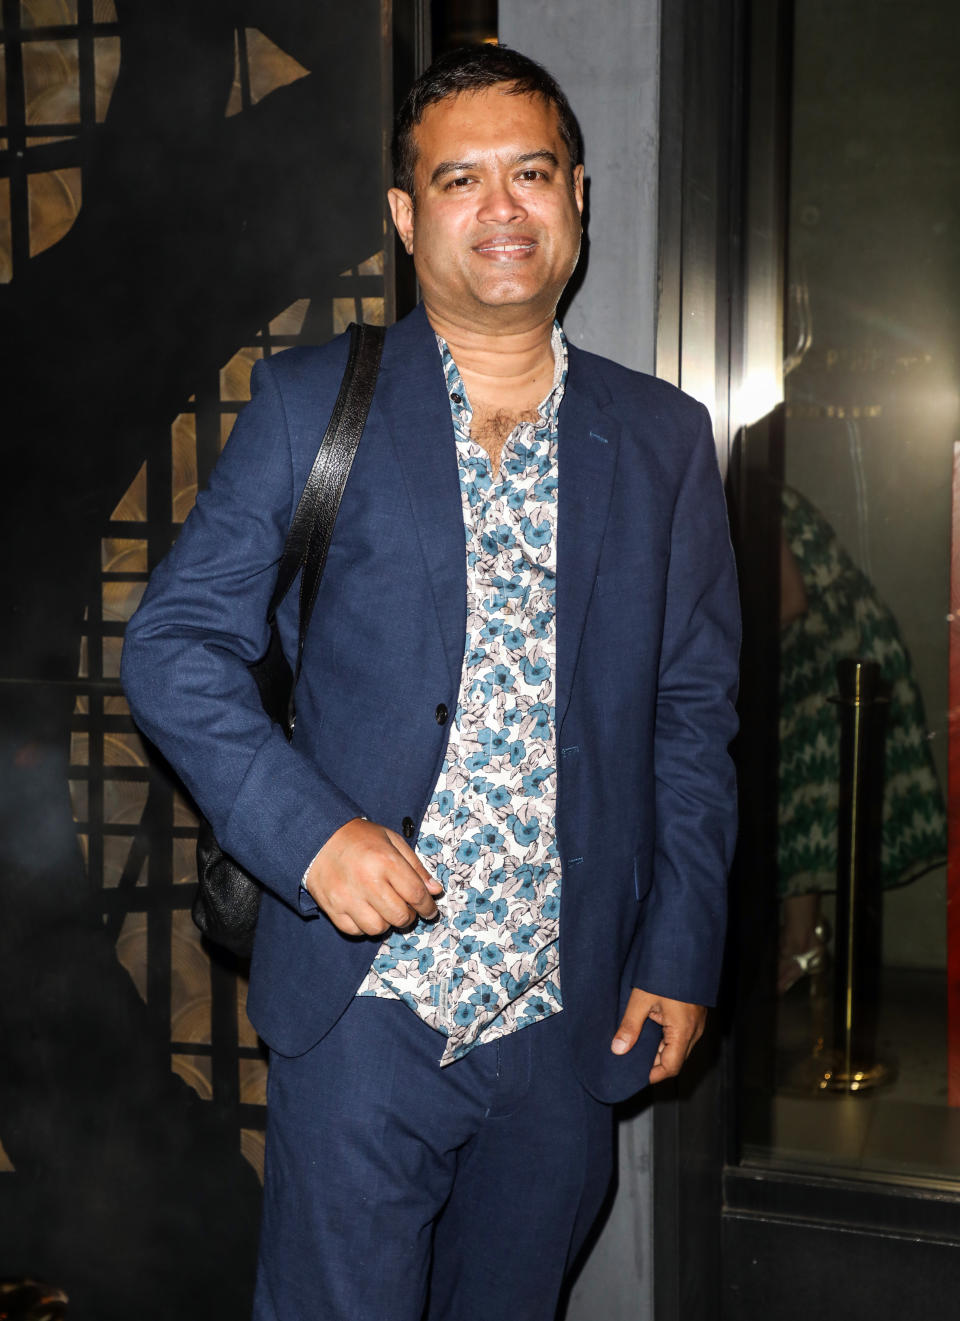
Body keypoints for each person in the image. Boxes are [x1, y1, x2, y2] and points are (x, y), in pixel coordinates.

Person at [121, 43, 740, 1321]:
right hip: (363, 1014)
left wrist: (680, 946)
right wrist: (313, 836)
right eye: (460, 180)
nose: (501, 209)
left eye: (532, 173)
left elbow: (692, 716)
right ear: (407, 218)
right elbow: (175, 645)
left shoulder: (668, 439)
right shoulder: (309, 405)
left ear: (578, 198)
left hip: (564, 1019)